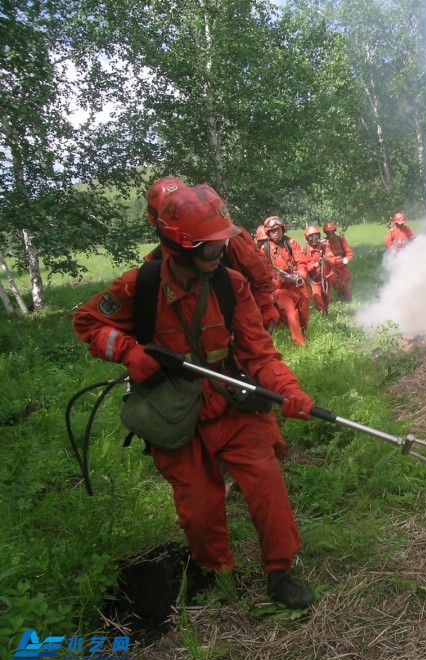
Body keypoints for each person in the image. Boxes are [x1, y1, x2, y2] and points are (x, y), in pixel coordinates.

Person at [73, 182, 317, 609]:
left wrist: (288, 390)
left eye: (222, 245)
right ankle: (215, 569)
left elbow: (259, 353)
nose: (220, 255)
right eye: (210, 249)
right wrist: (130, 352)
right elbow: (87, 322)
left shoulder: (232, 286)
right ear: (179, 247)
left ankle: (280, 570)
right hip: (173, 411)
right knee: (198, 502)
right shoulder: (139, 287)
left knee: (266, 481)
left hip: (230, 400)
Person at [146, 177, 280, 335]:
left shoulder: (227, 239)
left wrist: (266, 305)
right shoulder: (153, 265)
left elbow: (259, 274)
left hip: (235, 313)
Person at [259, 216, 311, 347]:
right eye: (273, 230)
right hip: (281, 289)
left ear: (283, 229)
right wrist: (277, 279)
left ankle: (302, 333)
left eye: (278, 229)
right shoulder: (264, 250)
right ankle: (301, 344)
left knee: (303, 314)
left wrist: (301, 275)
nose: (277, 232)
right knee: (292, 314)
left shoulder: (291, 243)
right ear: (268, 233)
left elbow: (301, 261)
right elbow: (263, 271)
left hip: (297, 284)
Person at [302, 225, 331, 316]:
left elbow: (332, 259)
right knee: (318, 298)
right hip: (313, 280)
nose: (314, 239)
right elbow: (303, 266)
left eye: (316, 236)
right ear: (307, 238)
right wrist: (315, 265)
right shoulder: (304, 250)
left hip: (325, 278)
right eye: (311, 237)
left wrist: (327, 260)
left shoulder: (324, 247)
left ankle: (326, 313)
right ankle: (322, 315)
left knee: (326, 298)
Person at [322, 221, 353, 301]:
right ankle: (340, 294)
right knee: (335, 282)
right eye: (328, 233)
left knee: (344, 283)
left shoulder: (341, 239)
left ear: (334, 231)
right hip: (332, 266)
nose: (330, 234)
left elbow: (348, 251)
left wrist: (347, 258)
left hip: (342, 265)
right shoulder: (325, 243)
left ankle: (348, 298)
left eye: (331, 232)